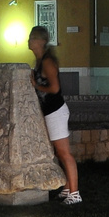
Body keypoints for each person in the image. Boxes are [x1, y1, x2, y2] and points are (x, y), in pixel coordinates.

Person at [28, 25, 79, 204]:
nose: (29, 40)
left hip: (56, 111)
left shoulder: (47, 62)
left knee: (65, 153)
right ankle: (67, 188)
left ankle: (75, 193)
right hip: (50, 112)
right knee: (58, 153)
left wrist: (37, 86)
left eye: (33, 38)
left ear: (41, 41)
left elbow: (55, 88)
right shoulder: (40, 61)